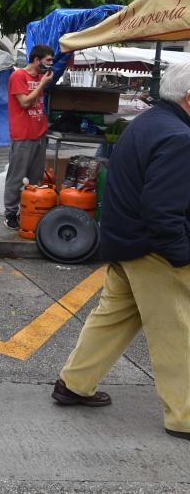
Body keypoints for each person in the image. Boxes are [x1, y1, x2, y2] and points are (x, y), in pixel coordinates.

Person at [52, 63, 190, 441]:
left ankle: (74, 384)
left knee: (112, 318)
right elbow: (162, 210)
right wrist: (181, 254)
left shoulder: (148, 123)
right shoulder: (180, 136)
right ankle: (184, 416)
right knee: (177, 331)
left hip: (124, 240)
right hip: (153, 250)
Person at [3, 43, 54, 229]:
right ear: (36, 60)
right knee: (16, 177)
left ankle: (30, 211)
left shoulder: (42, 77)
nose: (50, 64)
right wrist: (41, 84)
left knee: (36, 179)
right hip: (22, 134)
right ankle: (10, 213)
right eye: (48, 60)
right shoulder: (18, 76)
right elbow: (24, 102)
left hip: (39, 134)